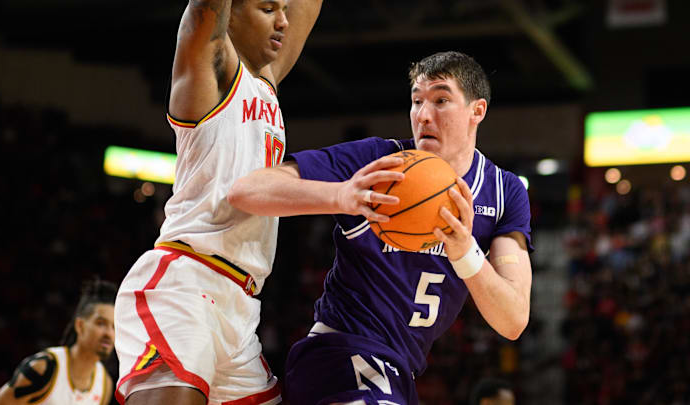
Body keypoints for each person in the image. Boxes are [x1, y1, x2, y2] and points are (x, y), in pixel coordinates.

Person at [228, 51, 533, 404]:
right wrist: (340, 195)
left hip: (399, 371)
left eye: (441, 100)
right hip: (340, 353)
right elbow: (245, 190)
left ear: (477, 111)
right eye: (417, 101)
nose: (423, 115)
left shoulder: (504, 191)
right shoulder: (377, 164)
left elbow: (513, 320)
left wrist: (465, 253)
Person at [113, 0, 322, 404]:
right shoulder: (210, 66)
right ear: (232, 15)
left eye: (283, 8)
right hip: (186, 286)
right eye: (267, 8)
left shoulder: (265, 81)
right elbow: (203, 11)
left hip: (242, 307)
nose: (283, 20)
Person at [0, 278, 117, 405]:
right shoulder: (43, 368)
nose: (109, 333)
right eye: (101, 323)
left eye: (114, 327)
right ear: (80, 326)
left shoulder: (105, 384)